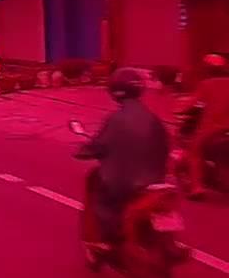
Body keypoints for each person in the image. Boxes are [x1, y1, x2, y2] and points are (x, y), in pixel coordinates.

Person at [75, 68, 170, 246]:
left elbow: (100, 145)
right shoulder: (153, 118)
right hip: (155, 179)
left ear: (115, 92)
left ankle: (105, 240)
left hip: (126, 182)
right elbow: (166, 145)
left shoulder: (116, 119)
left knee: (102, 198)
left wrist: (85, 151)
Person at [186, 53, 229, 198]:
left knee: (194, 153)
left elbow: (191, 104)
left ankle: (196, 187)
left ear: (207, 69)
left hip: (211, 129)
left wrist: (179, 108)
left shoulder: (206, 84)